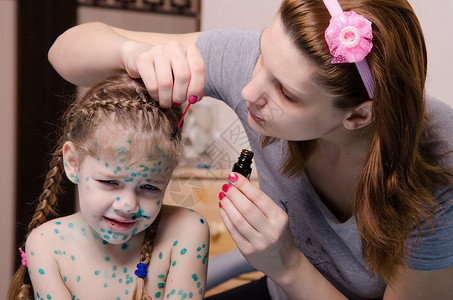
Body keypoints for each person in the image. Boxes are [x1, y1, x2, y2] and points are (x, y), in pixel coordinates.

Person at [47, 0, 453, 299]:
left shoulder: (440, 165)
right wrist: (131, 53)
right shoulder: (256, 68)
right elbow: (67, 51)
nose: (248, 90)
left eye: (286, 93)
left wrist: (287, 265)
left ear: (358, 116)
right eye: (261, 55)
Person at [8, 73, 210, 300]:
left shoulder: (186, 230)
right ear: (73, 163)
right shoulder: (47, 244)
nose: (128, 206)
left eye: (150, 187)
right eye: (110, 182)